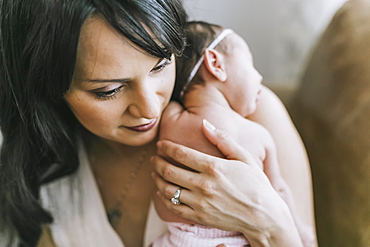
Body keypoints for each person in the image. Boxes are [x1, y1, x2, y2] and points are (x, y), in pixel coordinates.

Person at [0, 1, 315, 247]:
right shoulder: (36, 168)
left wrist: (268, 221)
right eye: (108, 90)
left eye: (161, 65)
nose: (150, 108)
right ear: (47, 88)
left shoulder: (250, 113)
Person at [153, 21, 315, 247]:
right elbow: (279, 193)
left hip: (177, 240)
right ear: (215, 64)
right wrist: (301, 232)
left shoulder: (170, 118)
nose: (259, 77)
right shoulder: (258, 134)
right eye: (250, 64)